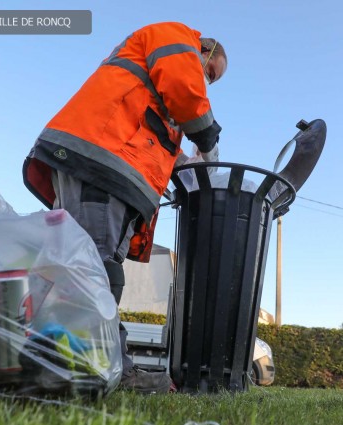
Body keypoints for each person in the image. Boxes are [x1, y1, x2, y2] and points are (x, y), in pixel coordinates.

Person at [23, 22, 227, 394]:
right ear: (205, 52)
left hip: (104, 158)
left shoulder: (157, 93)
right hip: (102, 158)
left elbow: (152, 141)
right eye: (210, 72)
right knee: (95, 268)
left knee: (76, 265)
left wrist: (185, 164)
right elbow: (185, 86)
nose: (207, 82)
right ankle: (109, 368)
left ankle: (45, 359)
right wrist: (209, 143)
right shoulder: (177, 37)